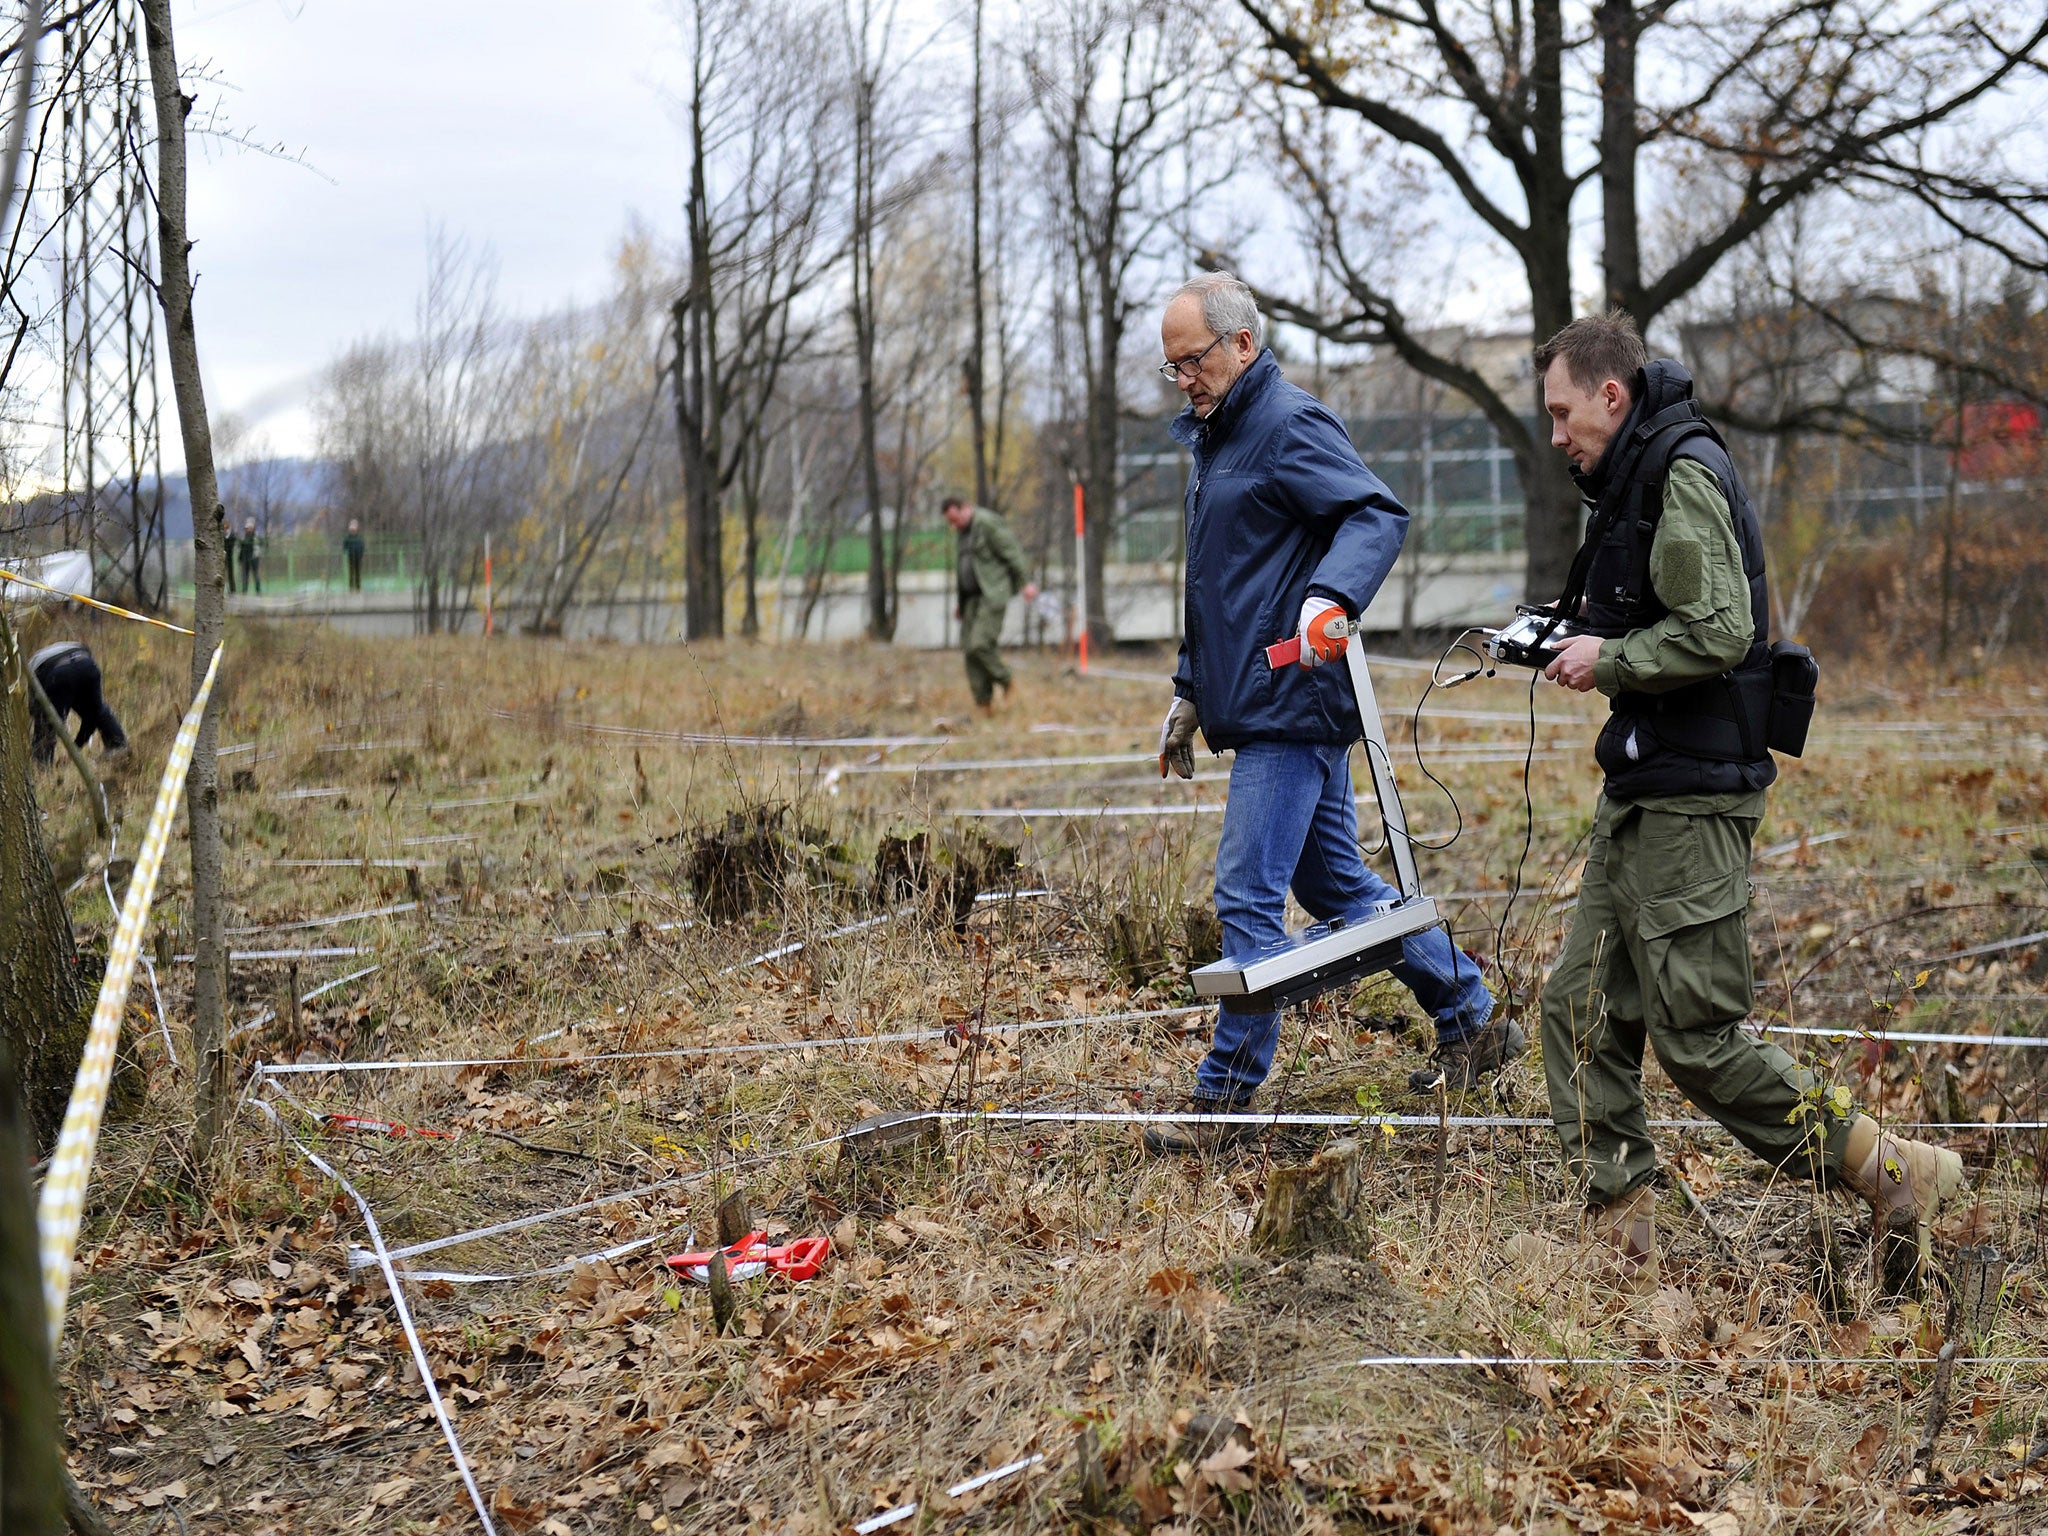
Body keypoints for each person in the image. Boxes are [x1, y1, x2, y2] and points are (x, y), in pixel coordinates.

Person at [1531, 311, 1960, 1287]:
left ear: (1611, 393)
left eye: (1563, 413)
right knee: (1580, 1008)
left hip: (1695, 791)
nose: (1556, 436)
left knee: (1693, 1033)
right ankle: (1624, 1251)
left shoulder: (1677, 469)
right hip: (1643, 781)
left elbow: (1722, 630)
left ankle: (1893, 1172)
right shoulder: (1629, 477)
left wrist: (1611, 660)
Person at [1144, 271, 1507, 1156]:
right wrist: (1191, 689)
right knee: (1337, 887)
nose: (1182, 379)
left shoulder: (1287, 423)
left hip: (1292, 700)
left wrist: (1329, 597)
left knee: (1246, 893)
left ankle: (1225, 1101)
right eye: (1170, 368)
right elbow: (1219, 588)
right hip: (1250, 696)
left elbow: (1374, 513)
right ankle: (1471, 1014)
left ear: (1241, 344)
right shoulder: (1217, 440)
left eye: (1190, 360)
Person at [942, 497, 1038, 714]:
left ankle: (1007, 681)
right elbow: (964, 569)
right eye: (950, 522)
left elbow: (1011, 550)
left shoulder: (986, 523)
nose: (954, 525)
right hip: (971, 600)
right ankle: (983, 704)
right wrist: (960, 602)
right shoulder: (962, 533)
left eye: (955, 519)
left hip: (993, 594)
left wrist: (1025, 582)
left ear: (965, 508)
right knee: (969, 650)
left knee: (980, 644)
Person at [28, 639, 127, 765]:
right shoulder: (41, 661)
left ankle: (42, 767)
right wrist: (76, 749)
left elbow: (35, 709)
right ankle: (118, 746)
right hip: (86, 664)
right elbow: (91, 718)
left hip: (58, 673)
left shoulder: (32, 668)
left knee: (46, 723)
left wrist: (73, 752)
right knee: (97, 710)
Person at [238, 517, 264, 594]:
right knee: (245, 575)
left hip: (254, 558)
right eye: (247, 528)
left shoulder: (256, 536)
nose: (247, 530)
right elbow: (241, 548)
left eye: (249, 528)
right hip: (245, 558)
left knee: (256, 574)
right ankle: (244, 590)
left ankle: (258, 590)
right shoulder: (244, 537)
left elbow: (260, 545)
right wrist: (240, 558)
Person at [343, 519, 366, 592]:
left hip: (358, 557)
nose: (353, 531)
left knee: (358, 572)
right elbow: (344, 547)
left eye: (354, 529)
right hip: (351, 557)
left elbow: (362, 547)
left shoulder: (359, 538)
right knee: (351, 572)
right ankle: (351, 587)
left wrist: (361, 555)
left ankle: (358, 587)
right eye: (352, 529)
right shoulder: (347, 538)